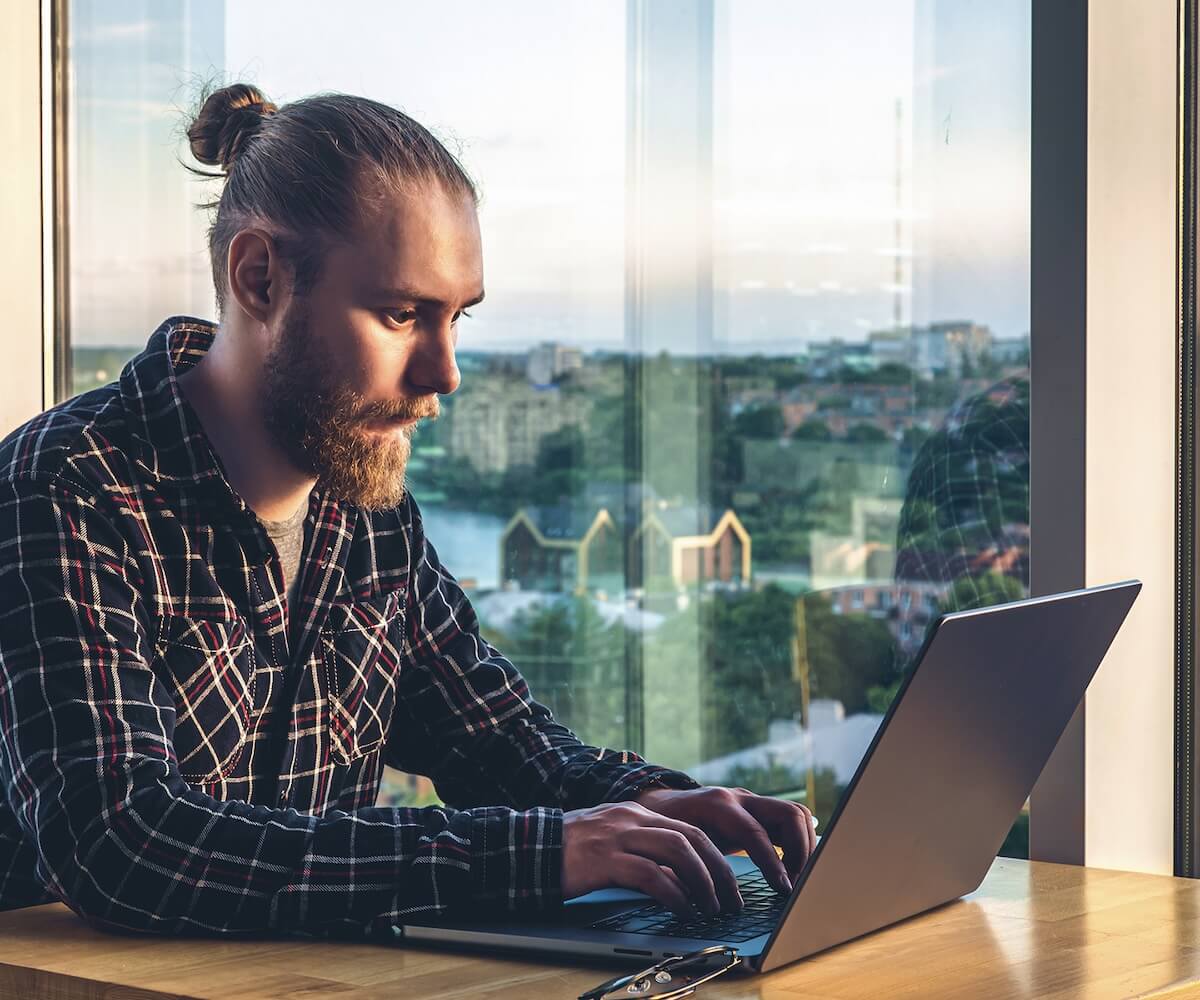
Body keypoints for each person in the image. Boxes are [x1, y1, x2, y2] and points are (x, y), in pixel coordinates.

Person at [0, 84, 814, 939]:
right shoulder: (65, 491)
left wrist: (670, 809)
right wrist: (539, 854)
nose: (444, 373)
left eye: (457, 318)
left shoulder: (367, 508)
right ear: (259, 278)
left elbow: (499, 744)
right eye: (401, 315)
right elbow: (121, 846)